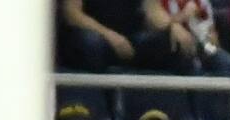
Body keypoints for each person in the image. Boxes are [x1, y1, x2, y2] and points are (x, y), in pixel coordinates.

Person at [59, 0, 190, 73]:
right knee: (91, 43)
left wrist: (172, 26)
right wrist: (110, 36)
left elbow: (152, 11)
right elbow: (71, 13)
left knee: (172, 42)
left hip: (131, 41)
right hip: (94, 37)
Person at [143, 0, 230, 76]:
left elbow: (212, 33)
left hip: (202, 45)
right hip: (173, 47)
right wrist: (182, 16)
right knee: (193, 66)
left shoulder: (202, 2)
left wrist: (211, 38)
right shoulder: (159, 2)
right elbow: (154, 23)